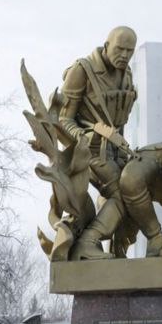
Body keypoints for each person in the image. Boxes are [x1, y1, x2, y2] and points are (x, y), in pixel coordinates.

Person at [58, 26, 140, 260]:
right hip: (88, 152)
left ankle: (118, 249)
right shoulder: (82, 70)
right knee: (126, 193)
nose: (124, 55)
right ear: (106, 46)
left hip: (117, 151)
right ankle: (87, 243)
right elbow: (62, 119)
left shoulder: (127, 74)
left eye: (130, 51)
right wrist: (82, 138)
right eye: (120, 49)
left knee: (141, 186)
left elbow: (118, 120)